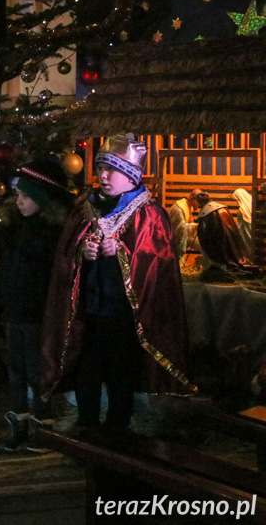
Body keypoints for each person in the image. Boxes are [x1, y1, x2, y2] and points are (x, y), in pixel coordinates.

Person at [42, 133, 197, 432]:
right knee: (87, 371)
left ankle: (117, 428)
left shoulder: (149, 213)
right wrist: (81, 252)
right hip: (89, 312)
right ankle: (87, 424)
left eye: (112, 170)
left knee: (120, 372)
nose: (104, 175)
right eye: (101, 169)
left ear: (130, 175)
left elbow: (158, 260)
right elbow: (65, 254)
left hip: (125, 316)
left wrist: (124, 252)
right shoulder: (85, 209)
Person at [0, 159, 71, 453]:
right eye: (18, 195)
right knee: (16, 371)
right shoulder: (13, 228)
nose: (19, 200)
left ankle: (42, 427)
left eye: (26, 196)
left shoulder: (51, 234)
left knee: (39, 371)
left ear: (42, 198)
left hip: (39, 314)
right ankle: (19, 426)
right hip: (14, 313)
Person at [195, 191, 251, 272]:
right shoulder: (222, 208)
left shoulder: (208, 212)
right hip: (231, 237)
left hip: (220, 241)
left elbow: (205, 232)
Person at [167, 189, 202, 261]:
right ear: (193, 198)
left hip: (182, 237)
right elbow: (180, 229)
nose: (199, 205)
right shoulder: (180, 209)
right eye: (198, 202)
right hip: (173, 240)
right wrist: (194, 226)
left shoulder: (188, 206)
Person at [232, 188, 253, 259]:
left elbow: (241, 226)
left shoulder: (241, 210)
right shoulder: (253, 206)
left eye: (236, 200)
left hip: (245, 234)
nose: (236, 202)